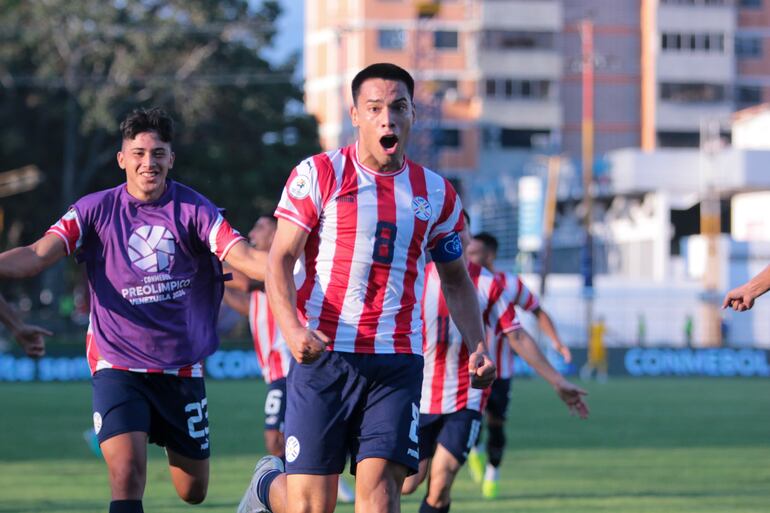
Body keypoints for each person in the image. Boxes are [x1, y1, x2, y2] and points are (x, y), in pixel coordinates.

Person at [236, 63, 496, 513]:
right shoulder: (318, 174)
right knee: (310, 507)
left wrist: (478, 343)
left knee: (380, 501)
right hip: (324, 355)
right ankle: (267, 485)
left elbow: (456, 278)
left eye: (398, 108)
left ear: (413, 114)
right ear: (355, 115)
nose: (387, 119)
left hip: (396, 361)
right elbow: (279, 260)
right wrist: (293, 330)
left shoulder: (436, 194)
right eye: (374, 108)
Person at [0, 107, 268, 513]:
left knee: (193, 491)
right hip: (117, 365)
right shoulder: (93, 210)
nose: (149, 163)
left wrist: (299, 270)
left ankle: (261, 487)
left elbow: (244, 257)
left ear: (171, 159)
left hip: (181, 368)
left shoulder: (196, 210)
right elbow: (36, 256)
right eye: (139, 153)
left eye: (158, 153)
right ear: (122, 158)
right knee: (126, 477)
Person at [401, 215, 588, 512]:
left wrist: (557, 380)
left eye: (461, 229)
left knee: (441, 482)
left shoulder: (487, 282)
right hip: (419, 397)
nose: (456, 235)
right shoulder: (415, 277)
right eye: (448, 228)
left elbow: (516, 335)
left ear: (469, 236)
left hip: (467, 397)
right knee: (409, 482)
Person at [223, 215, 355, 503]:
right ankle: (308, 480)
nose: (253, 232)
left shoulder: (281, 264)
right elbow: (248, 303)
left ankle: (297, 480)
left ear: (276, 233)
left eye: (261, 227)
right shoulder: (264, 277)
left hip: (290, 368)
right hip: (274, 371)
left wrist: (215, 266)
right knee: (282, 439)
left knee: (275, 439)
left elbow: (245, 282)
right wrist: (219, 287)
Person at [464, 231, 572, 498]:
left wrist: (557, 341)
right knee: (468, 421)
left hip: (502, 370)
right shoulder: (461, 280)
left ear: (489, 255)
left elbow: (537, 310)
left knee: (497, 423)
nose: (469, 257)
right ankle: (473, 450)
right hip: (468, 368)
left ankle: (493, 471)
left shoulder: (510, 284)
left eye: (474, 253)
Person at [580, 316, 608, 383]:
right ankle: (585, 372)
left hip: (600, 346)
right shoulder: (596, 326)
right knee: (593, 361)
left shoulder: (595, 326)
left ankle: (601, 376)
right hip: (594, 346)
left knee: (602, 361)